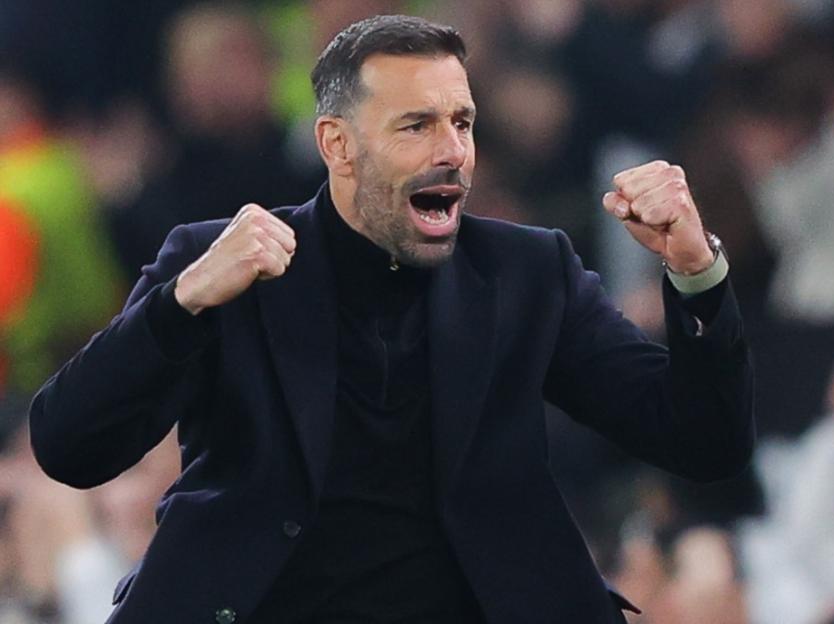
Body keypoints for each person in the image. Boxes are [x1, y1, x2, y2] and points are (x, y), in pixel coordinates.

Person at [28, 15, 754, 624]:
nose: (452, 152)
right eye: (416, 125)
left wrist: (694, 270)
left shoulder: (528, 272)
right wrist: (180, 304)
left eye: (461, 122)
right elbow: (69, 446)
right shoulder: (222, 264)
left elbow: (703, 442)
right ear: (337, 145)